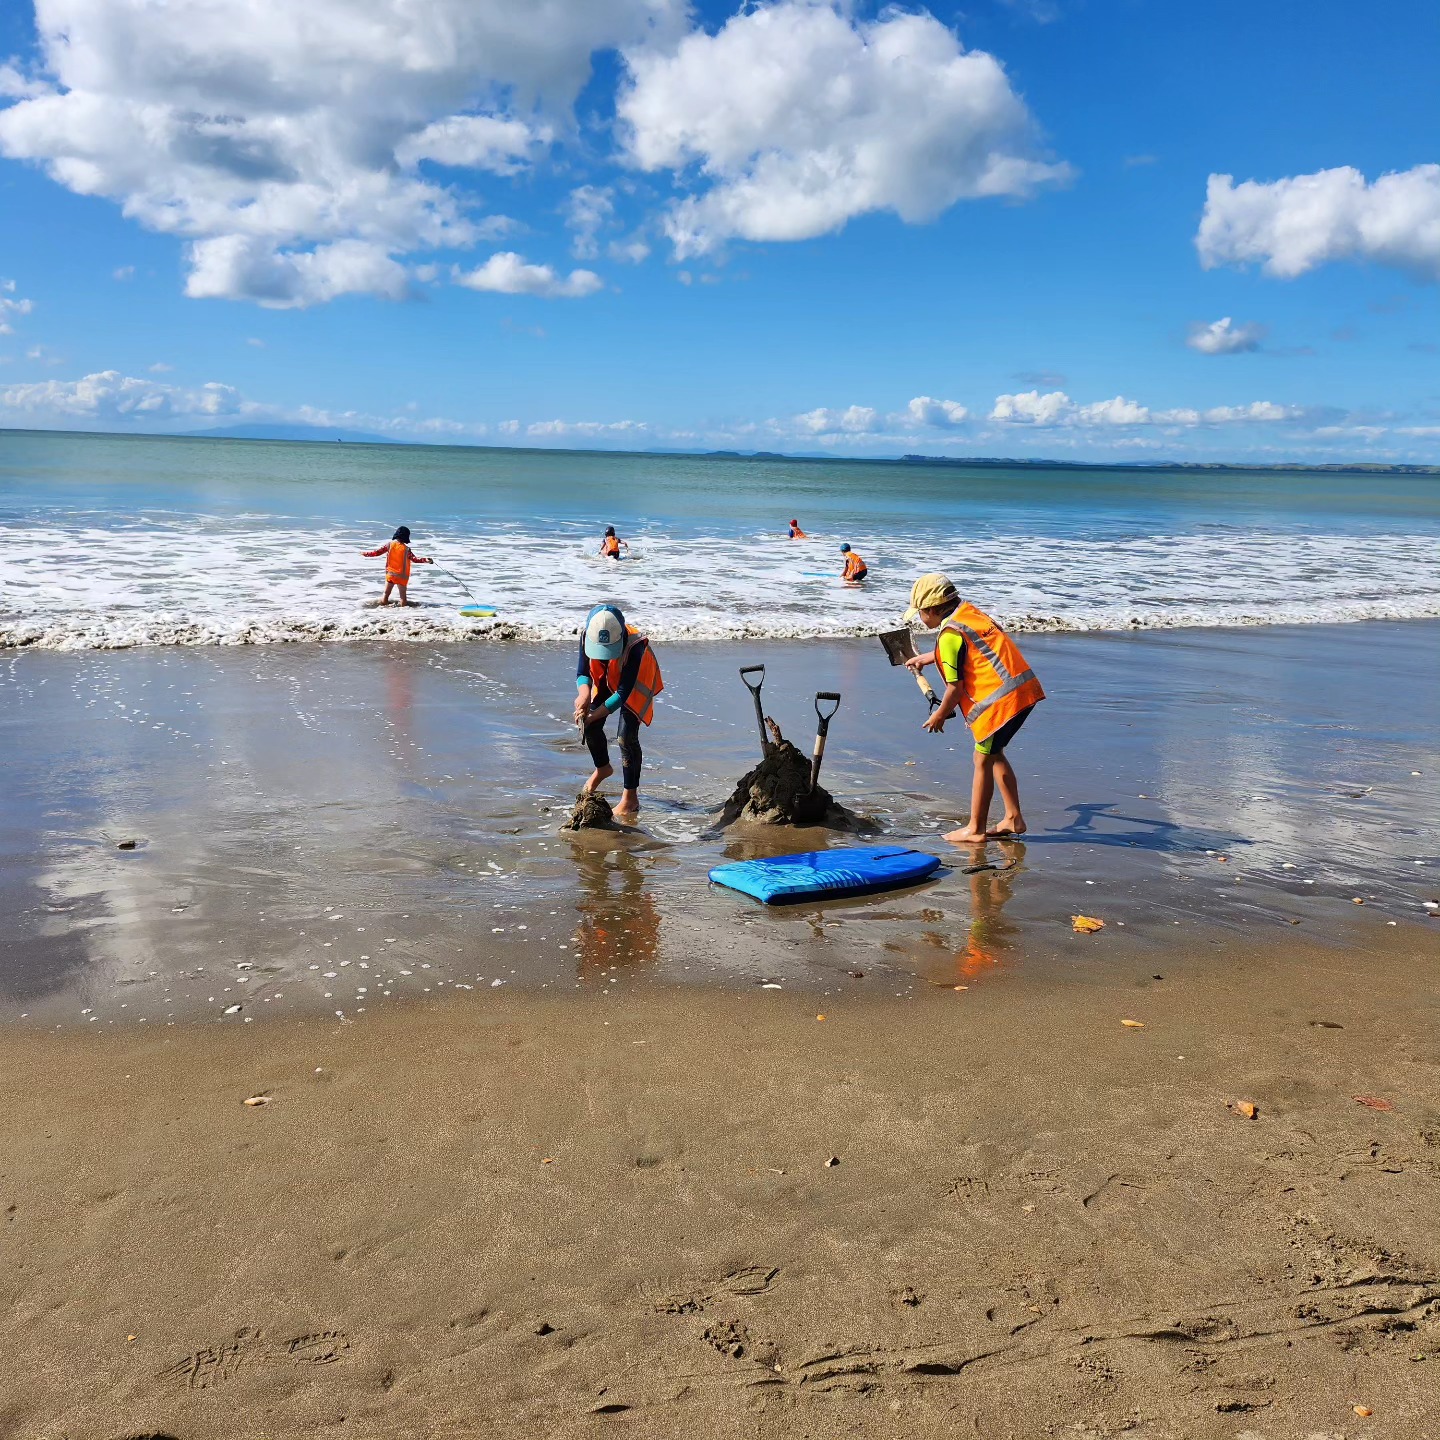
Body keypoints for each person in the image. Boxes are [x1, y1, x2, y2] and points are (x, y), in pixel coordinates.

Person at [901, 573, 1044, 844]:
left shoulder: (948, 635)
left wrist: (939, 715)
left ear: (931, 609)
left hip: (1000, 703)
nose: (920, 619)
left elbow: (955, 689)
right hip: (1023, 690)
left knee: (982, 760)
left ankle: (976, 829)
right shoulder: (970, 614)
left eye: (920, 613)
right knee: (994, 754)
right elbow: (972, 648)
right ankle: (1013, 818)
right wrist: (929, 658)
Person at [573, 603, 663, 819]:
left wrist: (596, 713)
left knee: (626, 738)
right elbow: (582, 672)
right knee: (590, 724)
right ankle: (603, 768)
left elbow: (623, 693)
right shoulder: (588, 633)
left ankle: (630, 798)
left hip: (635, 685)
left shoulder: (635, 645)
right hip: (607, 678)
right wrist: (584, 694)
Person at [361, 526, 432, 606]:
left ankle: (383, 609)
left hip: (391, 575)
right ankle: (403, 614)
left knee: (386, 594)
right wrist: (426, 560)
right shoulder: (406, 549)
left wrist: (365, 554)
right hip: (402, 577)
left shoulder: (389, 545)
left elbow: (377, 553)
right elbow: (415, 559)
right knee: (402, 598)